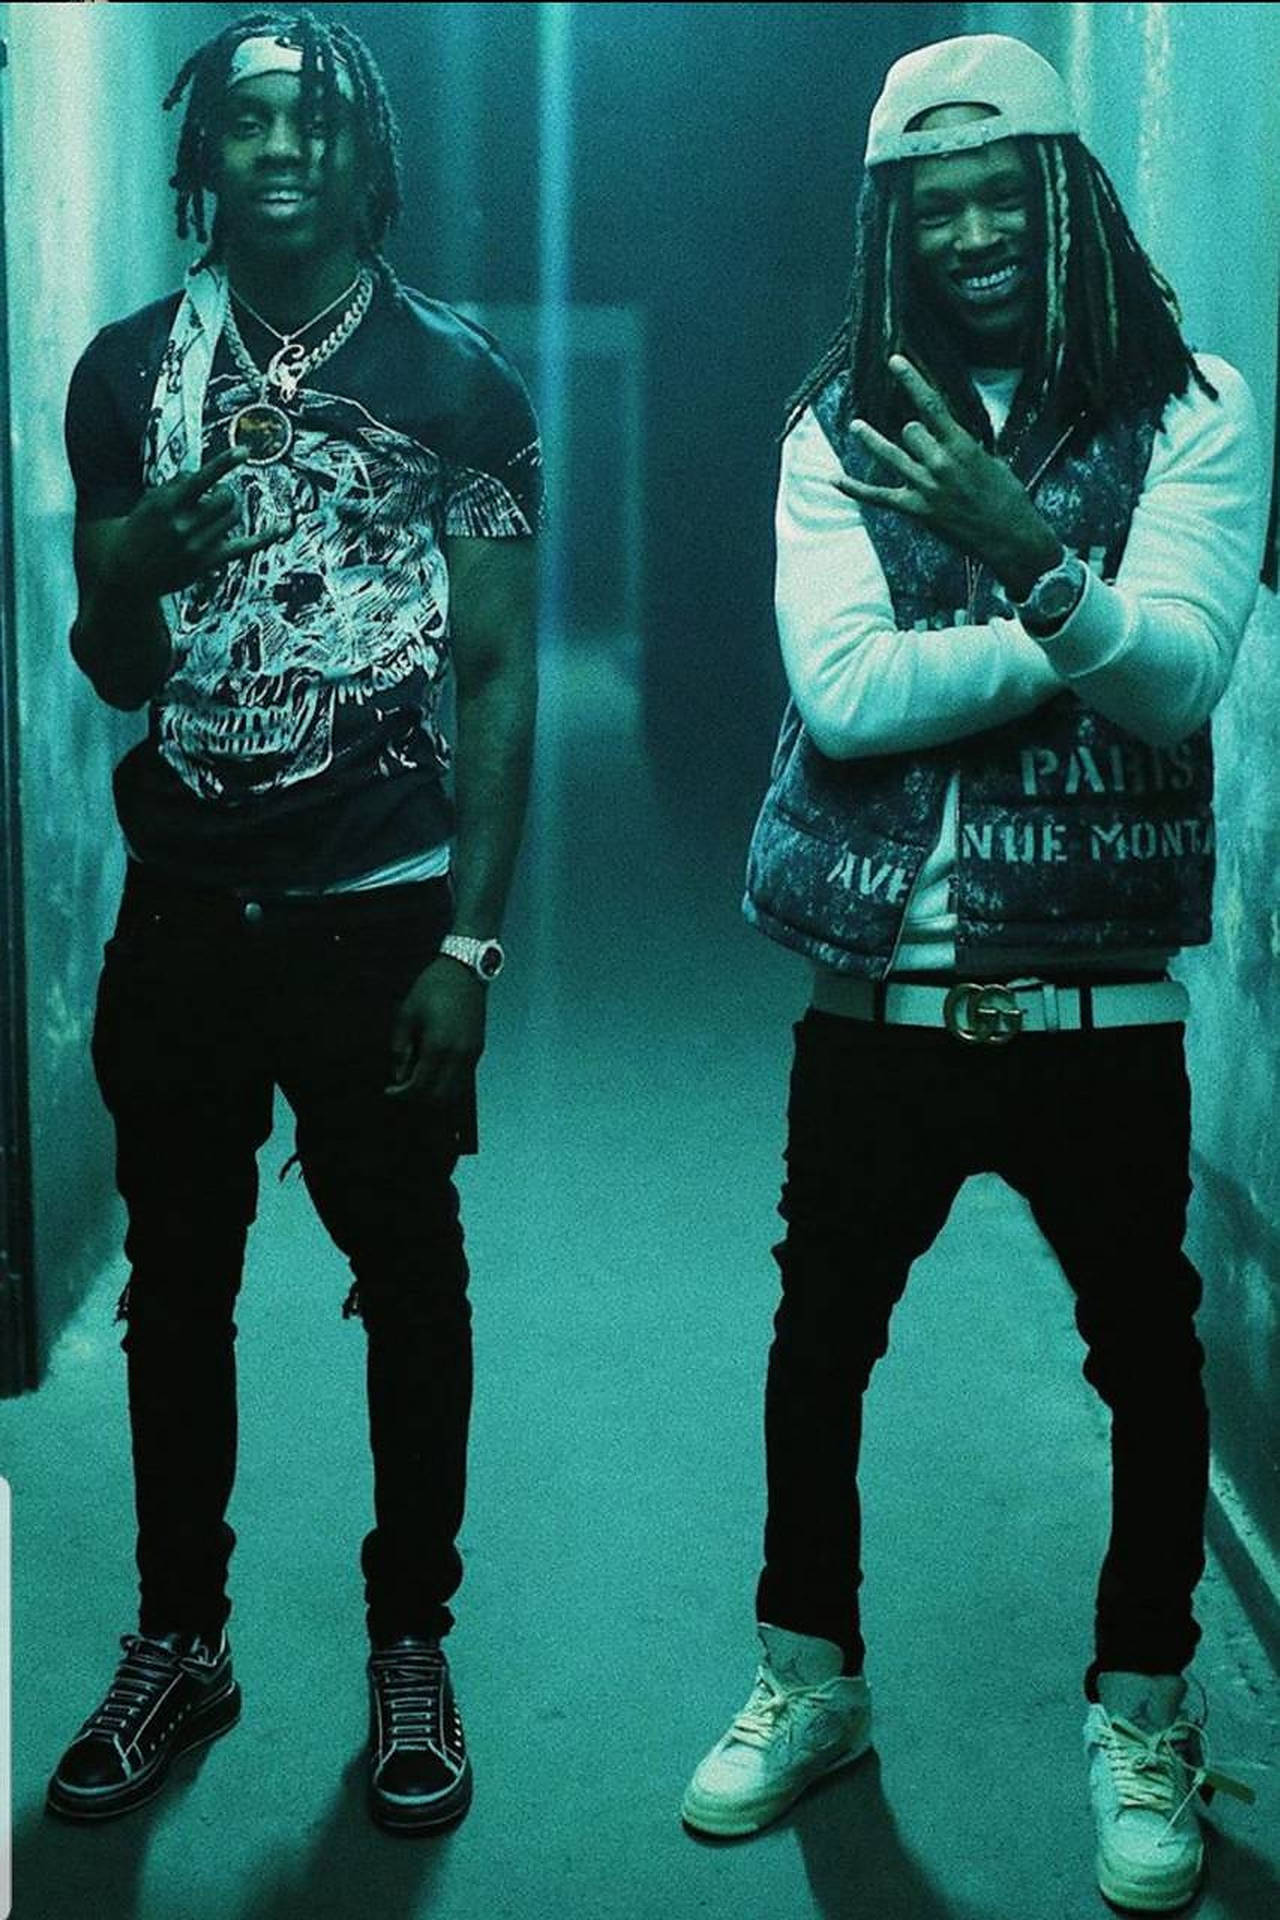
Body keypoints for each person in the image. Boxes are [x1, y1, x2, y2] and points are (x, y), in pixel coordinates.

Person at [681, 33, 1262, 1914]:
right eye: (935, 208)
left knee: (1149, 1365)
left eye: (1001, 194)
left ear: (1065, 198)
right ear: (894, 229)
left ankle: (1145, 1709)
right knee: (819, 1351)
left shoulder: (1198, 409)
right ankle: (810, 1680)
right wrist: (1076, 606)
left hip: (1100, 1007)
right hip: (880, 1005)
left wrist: (1029, 561)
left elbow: (1185, 683)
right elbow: (850, 695)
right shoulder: (830, 428)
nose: (972, 233)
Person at [46, 9, 541, 1836]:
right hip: (184, 916)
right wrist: (126, 572)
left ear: (365, 157)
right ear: (204, 156)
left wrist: (468, 949)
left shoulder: (458, 382)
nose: (279, 148)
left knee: (407, 1283)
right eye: (248, 121)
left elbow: (496, 677)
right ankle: (180, 1639)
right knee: (178, 1294)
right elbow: (114, 669)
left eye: (314, 123)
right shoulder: (126, 375)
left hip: (376, 919)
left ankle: (411, 1643)